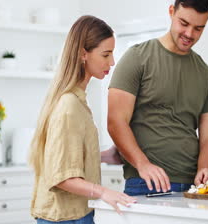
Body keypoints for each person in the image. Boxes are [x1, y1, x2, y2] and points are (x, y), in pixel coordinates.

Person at [107, 0, 208, 196]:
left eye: (198, 28)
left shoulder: (207, 75)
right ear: (171, 12)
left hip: (192, 187)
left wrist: (205, 169)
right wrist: (142, 164)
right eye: (184, 23)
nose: (189, 33)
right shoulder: (137, 58)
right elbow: (116, 122)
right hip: (144, 183)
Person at [29, 15, 137, 223]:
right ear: (83, 54)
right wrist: (103, 192)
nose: (112, 62)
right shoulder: (69, 105)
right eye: (106, 54)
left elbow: (67, 156)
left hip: (73, 213)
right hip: (65, 218)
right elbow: (60, 176)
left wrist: (104, 156)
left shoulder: (75, 101)